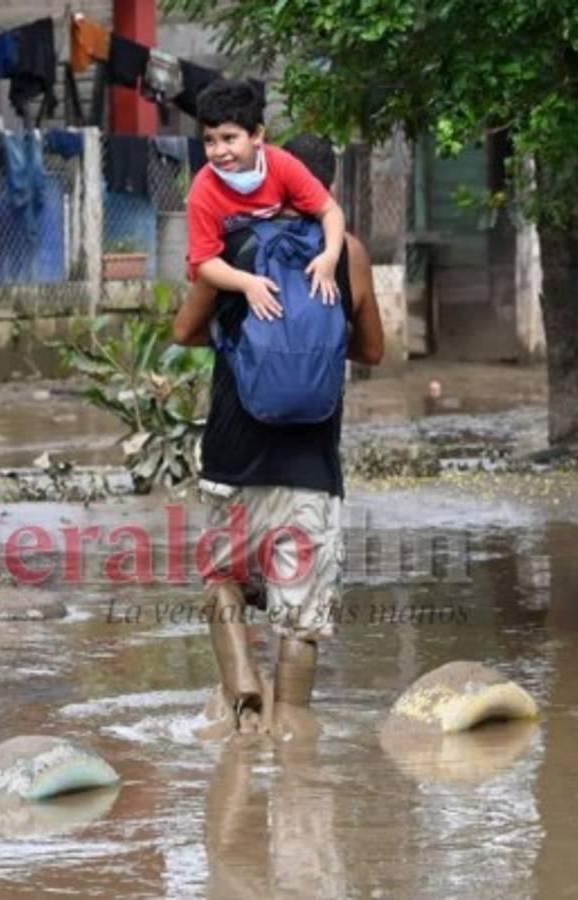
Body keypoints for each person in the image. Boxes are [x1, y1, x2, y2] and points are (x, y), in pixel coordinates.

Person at [174, 134, 384, 736]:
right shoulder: (350, 254)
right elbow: (372, 349)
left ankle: (241, 680)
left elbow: (186, 330)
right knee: (301, 620)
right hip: (311, 467)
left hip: (232, 455)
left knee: (222, 579)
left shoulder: (232, 245)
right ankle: (290, 728)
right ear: (327, 190)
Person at [187, 79, 347, 320]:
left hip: (274, 261)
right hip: (227, 274)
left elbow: (330, 211)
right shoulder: (202, 190)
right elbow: (204, 261)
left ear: (257, 135)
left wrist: (330, 256)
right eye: (210, 140)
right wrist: (246, 283)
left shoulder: (281, 164)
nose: (218, 151)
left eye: (229, 138)